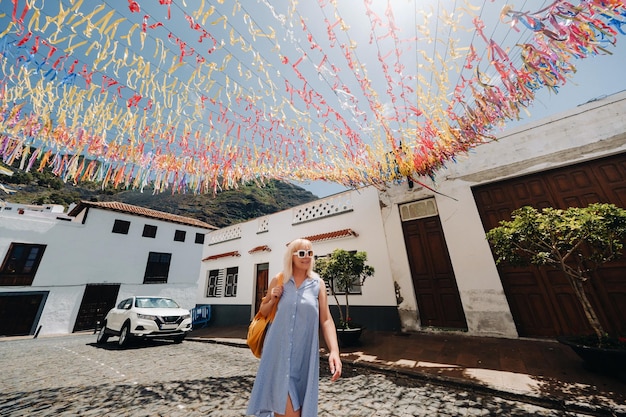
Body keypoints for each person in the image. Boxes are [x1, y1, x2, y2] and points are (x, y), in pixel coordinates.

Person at [246, 238, 342, 417]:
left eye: (310, 253)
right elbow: (263, 311)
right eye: (302, 253)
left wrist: (334, 351)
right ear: (292, 256)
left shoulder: (318, 284)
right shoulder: (279, 280)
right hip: (277, 353)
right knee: (288, 409)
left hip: (304, 355)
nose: (307, 257)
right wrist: (273, 298)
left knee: (294, 407)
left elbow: (326, 319)